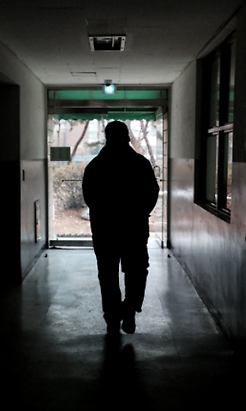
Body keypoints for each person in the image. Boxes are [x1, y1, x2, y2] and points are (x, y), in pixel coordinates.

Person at [82, 121, 159, 334]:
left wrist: (104, 214)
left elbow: (90, 197)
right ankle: (130, 309)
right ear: (127, 137)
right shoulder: (140, 164)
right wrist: (140, 213)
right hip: (134, 228)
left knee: (107, 273)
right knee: (137, 270)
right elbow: (152, 192)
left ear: (107, 138)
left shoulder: (96, 166)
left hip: (105, 229)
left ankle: (112, 315)